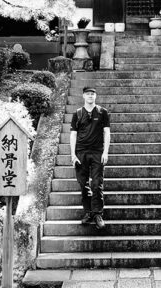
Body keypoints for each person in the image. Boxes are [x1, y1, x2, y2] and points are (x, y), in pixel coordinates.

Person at [70, 86, 110, 230]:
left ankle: (98, 214)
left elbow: (107, 133)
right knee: (83, 184)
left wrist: (105, 152)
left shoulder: (102, 112)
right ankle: (88, 212)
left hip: (97, 152)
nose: (90, 96)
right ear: (83, 96)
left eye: (93, 94)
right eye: (88, 94)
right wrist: (73, 154)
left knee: (97, 184)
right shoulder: (78, 113)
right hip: (81, 152)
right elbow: (73, 134)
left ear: (96, 96)